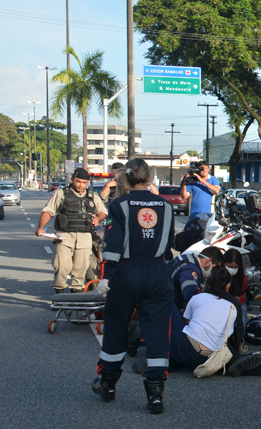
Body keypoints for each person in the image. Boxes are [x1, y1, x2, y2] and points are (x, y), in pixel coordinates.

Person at [91, 158, 175, 414]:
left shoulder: (118, 205)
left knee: (116, 327)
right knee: (158, 332)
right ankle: (155, 394)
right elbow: (169, 245)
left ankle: (107, 383)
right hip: (158, 272)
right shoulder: (166, 206)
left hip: (126, 273)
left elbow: (113, 246)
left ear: (125, 178)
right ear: (149, 178)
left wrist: (105, 276)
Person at [169, 266, 261, 377]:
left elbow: (186, 322)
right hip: (208, 358)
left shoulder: (198, 297)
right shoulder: (232, 306)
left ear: (208, 283)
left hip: (185, 347)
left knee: (169, 306)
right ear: (228, 285)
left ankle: (166, 361)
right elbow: (230, 335)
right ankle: (234, 363)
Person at [36, 167, 108, 294]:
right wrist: (41, 228)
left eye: (84, 183)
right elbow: (48, 211)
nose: (81, 185)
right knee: (62, 266)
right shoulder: (61, 194)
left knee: (80, 268)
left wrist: (98, 218)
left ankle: (76, 296)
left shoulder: (92, 196)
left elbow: (103, 212)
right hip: (65, 236)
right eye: (78, 181)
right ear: (72, 180)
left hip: (85, 237)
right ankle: (59, 295)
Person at [180, 161, 221, 250]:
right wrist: (185, 183)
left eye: (207, 168)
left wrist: (202, 180)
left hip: (209, 217)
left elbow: (216, 191)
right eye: (202, 169)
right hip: (194, 216)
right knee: (190, 243)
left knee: (206, 244)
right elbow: (184, 196)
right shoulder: (192, 181)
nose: (205, 170)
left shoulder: (213, 179)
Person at [224, 248, 249, 326]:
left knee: (242, 323)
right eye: (230, 266)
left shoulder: (241, 279)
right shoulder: (217, 275)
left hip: (236, 305)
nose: (233, 269)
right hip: (220, 304)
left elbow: (236, 300)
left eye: (235, 267)